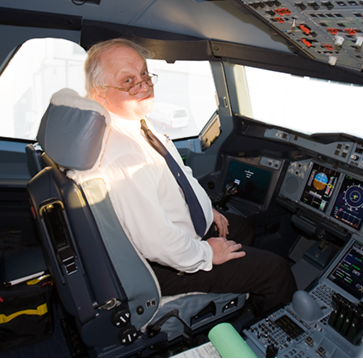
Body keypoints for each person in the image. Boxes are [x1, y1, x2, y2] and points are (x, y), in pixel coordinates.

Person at [82, 38, 297, 314]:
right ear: (100, 94)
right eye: (127, 81)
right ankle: (268, 332)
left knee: (242, 227)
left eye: (144, 73)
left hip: (171, 233)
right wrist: (208, 254)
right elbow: (157, 241)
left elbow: (178, 175)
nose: (144, 84)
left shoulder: (136, 125)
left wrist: (207, 211)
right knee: (274, 271)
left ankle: (234, 301)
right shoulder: (123, 156)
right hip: (161, 266)